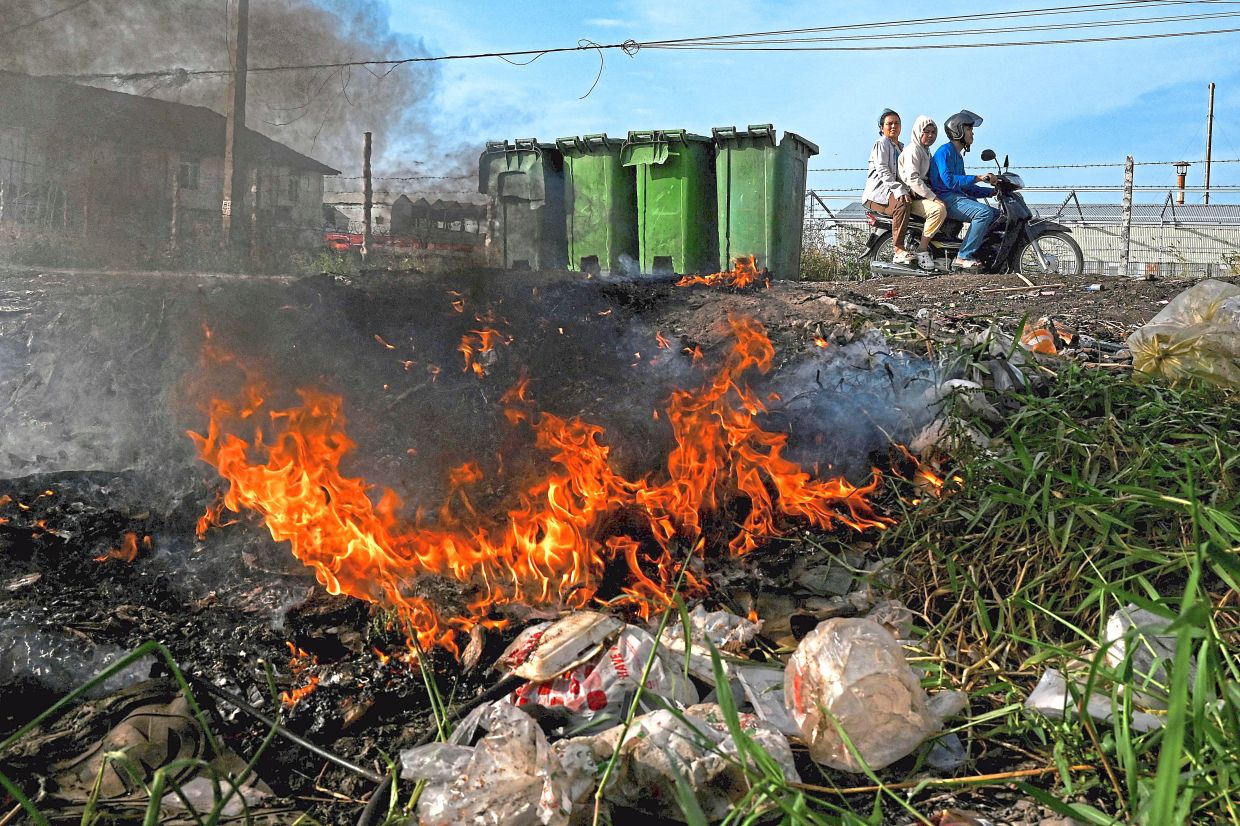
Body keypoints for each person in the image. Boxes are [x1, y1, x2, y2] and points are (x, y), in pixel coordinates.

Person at [929, 110, 998, 272]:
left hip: (957, 197)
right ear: (957, 130)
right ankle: (963, 256)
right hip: (946, 198)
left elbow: (966, 186)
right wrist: (979, 177)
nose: (972, 133)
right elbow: (949, 181)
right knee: (984, 213)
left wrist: (990, 192)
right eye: (969, 129)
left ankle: (983, 253)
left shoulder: (958, 156)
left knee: (997, 215)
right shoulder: (944, 151)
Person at [862, 109, 914, 266]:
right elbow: (883, 170)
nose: (893, 126)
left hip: (892, 191)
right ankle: (898, 249)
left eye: (896, 123)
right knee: (902, 203)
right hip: (877, 195)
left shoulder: (901, 147)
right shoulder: (882, 143)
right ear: (882, 127)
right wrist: (899, 189)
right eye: (889, 124)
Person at [897, 115, 947, 271]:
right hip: (911, 195)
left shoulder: (925, 151)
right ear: (918, 132)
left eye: (933, 132)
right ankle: (922, 249)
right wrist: (935, 198)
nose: (930, 135)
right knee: (938, 210)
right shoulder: (913, 150)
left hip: (921, 192)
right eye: (926, 132)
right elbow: (913, 180)